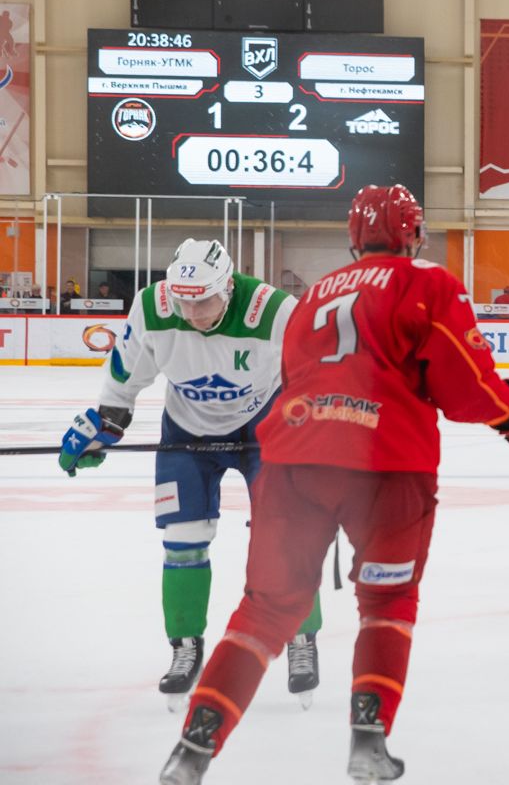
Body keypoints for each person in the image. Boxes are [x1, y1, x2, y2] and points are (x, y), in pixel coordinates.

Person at [157, 185, 509, 785]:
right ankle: (368, 739)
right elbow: (465, 387)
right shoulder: (427, 283)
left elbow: (292, 379)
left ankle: (193, 746)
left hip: (293, 464)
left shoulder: (314, 294)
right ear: (414, 234)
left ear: (353, 238)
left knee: (265, 611)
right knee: (387, 602)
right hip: (386, 468)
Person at [58, 239, 322, 712]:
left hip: (266, 427)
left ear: (228, 287)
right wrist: (106, 424)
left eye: (205, 301)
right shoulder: (152, 308)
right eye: (184, 301)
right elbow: (124, 376)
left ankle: (301, 635)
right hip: (187, 431)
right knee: (184, 539)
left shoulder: (275, 311)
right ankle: (185, 646)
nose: (193, 313)